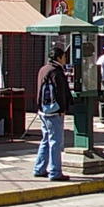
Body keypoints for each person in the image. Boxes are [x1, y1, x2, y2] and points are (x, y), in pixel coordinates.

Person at [33, 47, 72, 181]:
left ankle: (39, 168)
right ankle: (55, 172)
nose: (65, 59)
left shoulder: (43, 69)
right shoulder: (56, 71)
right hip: (54, 111)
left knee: (45, 140)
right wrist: (62, 109)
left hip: (43, 110)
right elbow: (60, 92)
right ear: (59, 57)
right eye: (64, 57)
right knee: (56, 142)